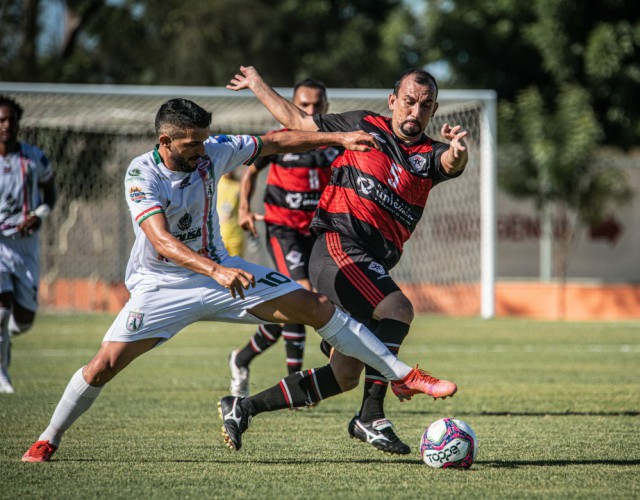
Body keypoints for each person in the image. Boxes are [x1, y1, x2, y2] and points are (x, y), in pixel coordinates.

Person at [21, 97, 456, 462]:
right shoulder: (142, 174)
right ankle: (47, 439)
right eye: (192, 144)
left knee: (316, 307)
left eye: (205, 140)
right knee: (104, 366)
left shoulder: (213, 150)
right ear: (165, 141)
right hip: (164, 285)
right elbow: (160, 240)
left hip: (223, 272)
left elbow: (274, 141)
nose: (202, 150)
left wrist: (339, 137)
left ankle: (400, 372)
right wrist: (216, 269)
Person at [226, 66, 469, 455]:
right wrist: (257, 84)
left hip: (370, 263)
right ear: (393, 101)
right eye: (408, 101)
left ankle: (243, 407)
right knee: (398, 308)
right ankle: (371, 416)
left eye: (425, 106)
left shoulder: (430, 155)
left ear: (433, 110)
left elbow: (451, 164)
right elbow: (297, 122)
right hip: (339, 248)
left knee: (344, 375)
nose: (414, 112)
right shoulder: (363, 125)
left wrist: (459, 150)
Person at [228, 78, 338, 397]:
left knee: (301, 306)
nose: (311, 110)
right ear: (290, 107)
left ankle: (241, 357)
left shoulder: (334, 144)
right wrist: (244, 209)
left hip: (318, 231)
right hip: (283, 229)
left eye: (318, 105)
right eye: (304, 105)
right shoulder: (279, 140)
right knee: (302, 294)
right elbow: (250, 173)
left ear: (327, 108)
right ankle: (297, 383)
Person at [0, 94, 57, 394]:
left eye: (11, 119)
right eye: (1, 120)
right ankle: (2, 374)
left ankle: (3, 336)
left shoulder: (35, 158)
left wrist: (39, 214)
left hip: (25, 246)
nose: (7, 125)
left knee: (23, 320)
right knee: (1, 310)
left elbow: (50, 193)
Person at [216, 169, 246, 258]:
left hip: (235, 235)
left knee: (236, 266)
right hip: (218, 236)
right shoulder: (216, 182)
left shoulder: (238, 186)